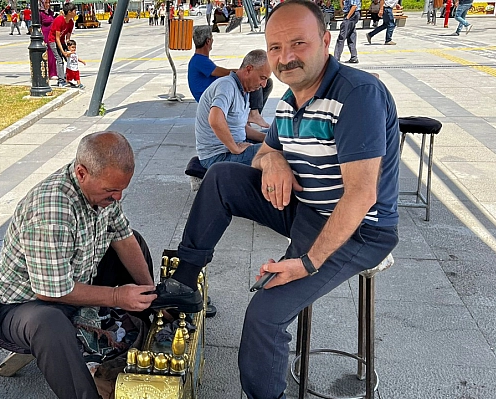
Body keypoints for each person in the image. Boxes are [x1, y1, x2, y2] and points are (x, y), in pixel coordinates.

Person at [150, 2, 400, 398]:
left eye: (298, 43)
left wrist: (307, 262)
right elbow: (265, 150)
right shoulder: (289, 100)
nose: (286, 58)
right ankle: (184, 282)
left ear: (326, 41)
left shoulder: (358, 94)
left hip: (359, 230)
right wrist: (275, 160)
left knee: (264, 318)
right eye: (276, 47)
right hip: (305, 209)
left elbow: (361, 194)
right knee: (222, 176)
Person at [0, 131, 156, 399]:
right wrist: (117, 296)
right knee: (49, 322)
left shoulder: (103, 190)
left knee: (135, 241)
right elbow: (50, 291)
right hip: (23, 305)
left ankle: (150, 316)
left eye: (122, 189)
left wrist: (150, 291)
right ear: (81, 173)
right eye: (111, 191)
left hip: (75, 278)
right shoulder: (51, 209)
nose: (118, 197)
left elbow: (123, 237)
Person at [194, 49, 271, 169]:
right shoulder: (226, 86)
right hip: (219, 156)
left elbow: (240, 127)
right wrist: (235, 148)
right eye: (262, 78)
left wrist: (266, 138)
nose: (264, 84)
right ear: (249, 69)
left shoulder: (243, 90)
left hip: (232, 146)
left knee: (276, 137)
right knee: (277, 151)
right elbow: (215, 120)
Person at [188, 25, 273, 128]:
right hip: (213, 97)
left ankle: (251, 115)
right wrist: (249, 70)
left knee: (265, 82)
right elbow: (223, 72)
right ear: (208, 41)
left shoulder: (199, 60)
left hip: (217, 91)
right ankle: (253, 113)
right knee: (254, 79)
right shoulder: (199, 60)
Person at [48, 3, 77, 87]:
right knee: (59, 59)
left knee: (69, 58)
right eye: (74, 11)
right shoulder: (59, 20)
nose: (76, 12)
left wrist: (69, 49)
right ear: (69, 12)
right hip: (53, 40)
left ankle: (69, 77)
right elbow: (57, 38)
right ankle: (61, 81)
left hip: (61, 41)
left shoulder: (71, 22)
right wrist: (62, 52)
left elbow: (67, 38)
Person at [40, 0, 58, 82]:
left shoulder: (51, 12)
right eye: (46, 3)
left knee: (54, 54)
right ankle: (49, 73)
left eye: (48, 3)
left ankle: (54, 72)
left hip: (52, 35)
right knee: (48, 54)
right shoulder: (40, 13)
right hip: (45, 36)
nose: (48, 5)